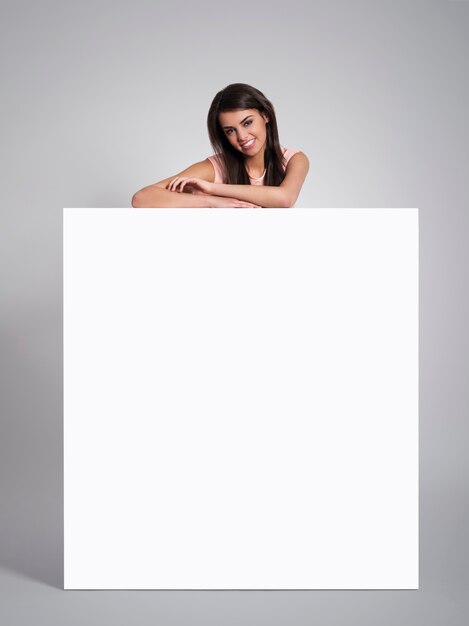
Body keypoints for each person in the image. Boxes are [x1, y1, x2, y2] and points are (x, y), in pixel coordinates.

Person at [131, 83, 309, 208]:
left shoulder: (293, 159)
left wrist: (213, 189)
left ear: (266, 115)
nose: (242, 136)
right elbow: (142, 198)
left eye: (247, 123)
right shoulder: (215, 167)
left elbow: (285, 198)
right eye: (230, 130)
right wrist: (213, 202)